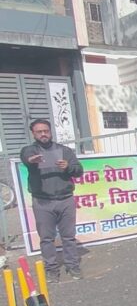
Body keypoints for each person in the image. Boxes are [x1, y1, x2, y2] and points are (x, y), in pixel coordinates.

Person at [20, 119, 84, 281]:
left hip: (65, 200)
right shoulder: (30, 150)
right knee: (47, 238)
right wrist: (32, 160)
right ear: (33, 134)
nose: (43, 134)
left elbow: (79, 171)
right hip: (43, 202)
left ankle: (72, 266)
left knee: (68, 236)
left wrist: (68, 167)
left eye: (46, 131)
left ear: (50, 132)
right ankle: (51, 269)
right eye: (39, 132)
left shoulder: (64, 151)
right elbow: (26, 158)